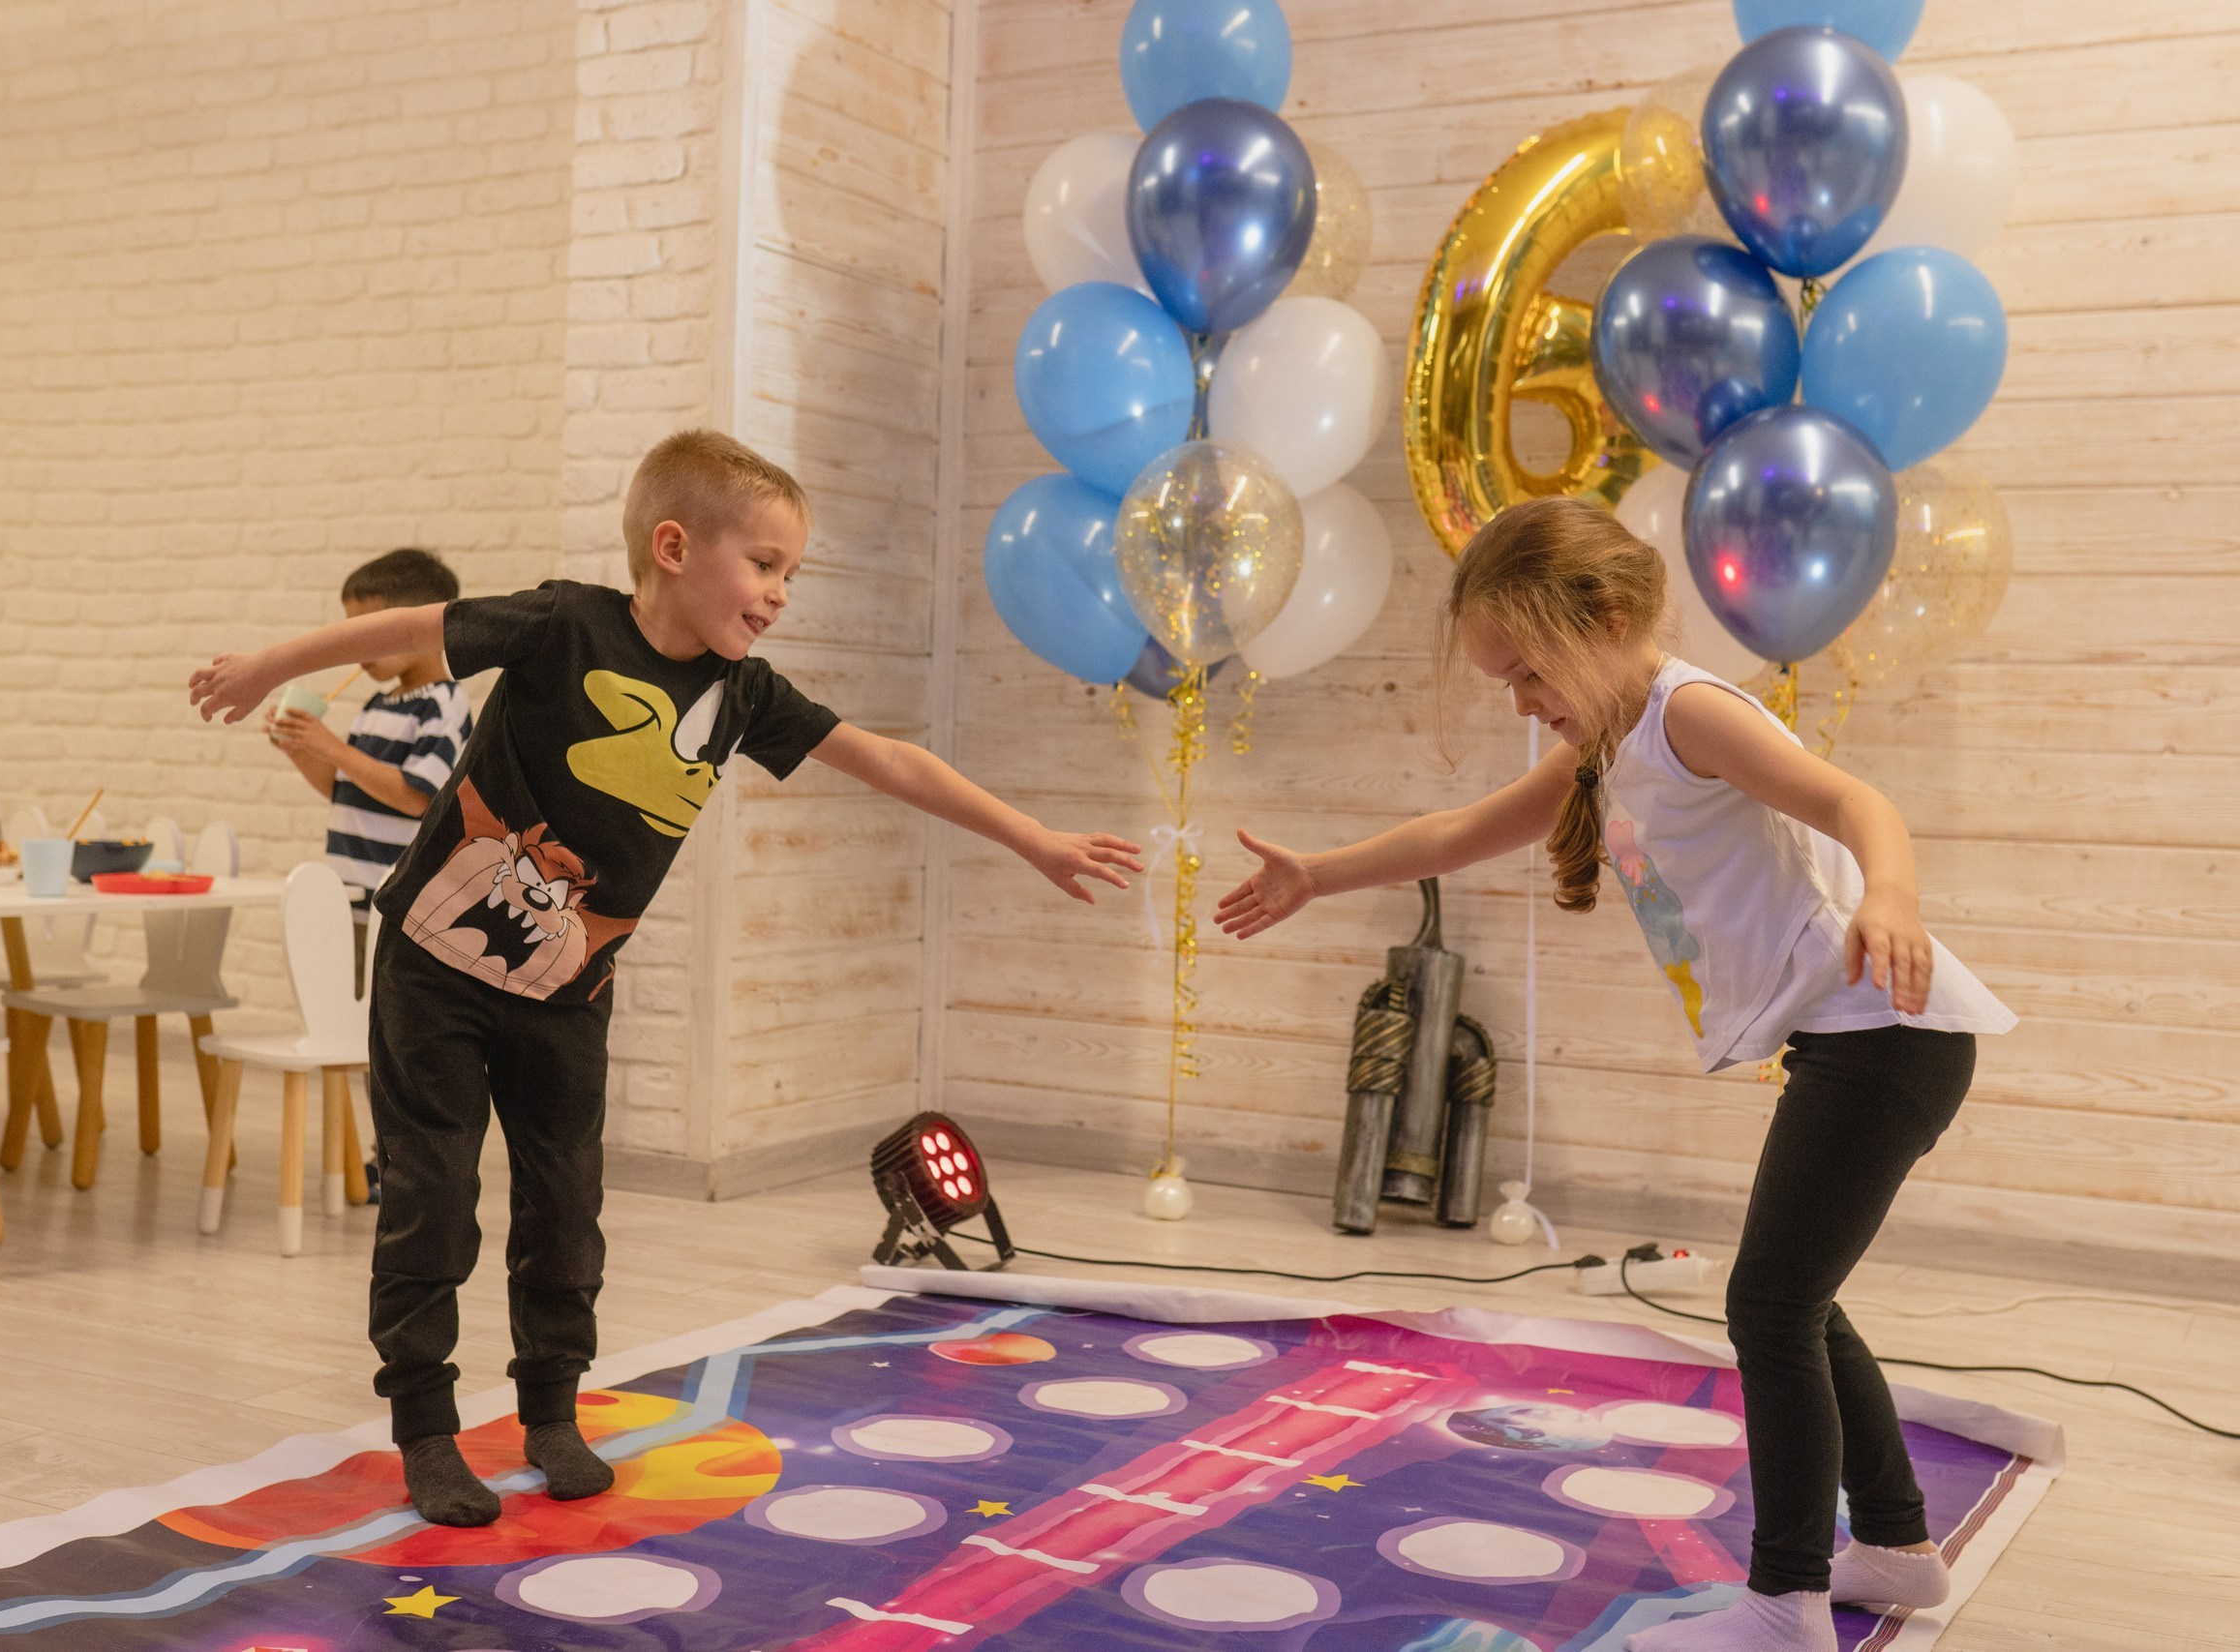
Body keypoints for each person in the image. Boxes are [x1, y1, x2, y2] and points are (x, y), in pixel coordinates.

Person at [191, 430, 1143, 1528]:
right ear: (677, 547)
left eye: (793, 573)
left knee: (565, 1209)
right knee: (432, 1203)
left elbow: (885, 756)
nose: (782, 594)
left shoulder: (744, 694)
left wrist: (1029, 835)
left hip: (565, 994)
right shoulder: (564, 623)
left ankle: (551, 1409)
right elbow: (414, 630)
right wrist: (271, 664)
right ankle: (425, 1428)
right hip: (434, 975)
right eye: (767, 565)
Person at [1214, 496, 2013, 1652]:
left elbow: (1852, 800)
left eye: (1527, 672)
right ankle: (1893, 1550)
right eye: (1506, 683)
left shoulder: (1689, 711)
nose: (1523, 702)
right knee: (1797, 1298)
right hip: (1865, 1041)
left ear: (1598, 617)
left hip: (1889, 1031)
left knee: (1769, 1307)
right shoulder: (1609, 746)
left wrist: (1888, 893)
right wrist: (1316, 874)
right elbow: (1457, 833)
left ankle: (1782, 1605)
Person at [266, 549, 474, 946]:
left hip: (394, 909)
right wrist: (299, 746)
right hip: (349, 897)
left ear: (427, 624)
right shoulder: (377, 705)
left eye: (371, 634)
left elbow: (416, 797)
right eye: (351, 636)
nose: (358, 650)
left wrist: (332, 748)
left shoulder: (443, 704)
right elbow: (342, 787)